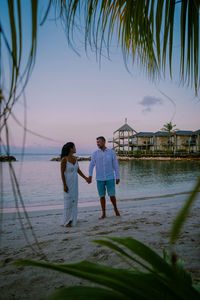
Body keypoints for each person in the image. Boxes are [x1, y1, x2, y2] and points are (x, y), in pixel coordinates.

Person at [88, 136, 120, 219]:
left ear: (104, 142)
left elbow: (116, 165)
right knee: (102, 196)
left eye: (99, 142)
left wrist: (118, 176)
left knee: (112, 195)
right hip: (100, 178)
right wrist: (90, 175)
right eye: (97, 142)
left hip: (110, 177)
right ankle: (103, 213)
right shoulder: (95, 153)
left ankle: (116, 209)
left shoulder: (111, 152)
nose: (97, 143)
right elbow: (91, 165)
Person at [60, 142, 89, 227]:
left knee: (74, 200)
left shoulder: (75, 159)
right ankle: (67, 221)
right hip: (68, 183)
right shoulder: (64, 160)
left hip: (75, 183)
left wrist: (85, 178)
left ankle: (73, 219)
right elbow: (62, 173)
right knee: (68, 201)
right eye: (74, 147)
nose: (75, 148)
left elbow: (78, 170)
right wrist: (64, 185)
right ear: (70, 149)